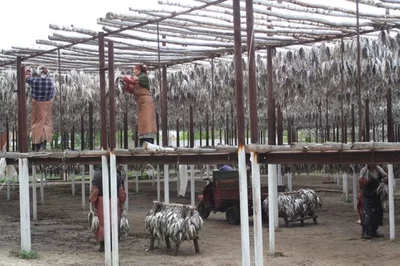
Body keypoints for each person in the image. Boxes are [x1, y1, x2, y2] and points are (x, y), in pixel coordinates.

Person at [89, 167, 126, 252]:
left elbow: (95, 191)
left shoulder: (97, 175)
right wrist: (122, 201)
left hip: (101, 203)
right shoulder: (116, 175)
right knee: (114, 224)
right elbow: (121, 191)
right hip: (114, 202)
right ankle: (114, 246)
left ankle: (103, 246)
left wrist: (92, 202)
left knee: (102, 225)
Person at [121, 65, 157, 147]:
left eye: (135, 69)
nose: (134, 71)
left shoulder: (143, 77)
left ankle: (148, 143)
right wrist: (124, 84)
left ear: (140, 70)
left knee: (147, 123)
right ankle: (142, 143)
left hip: (147, 103)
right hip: (141, 103)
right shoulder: (137, 79)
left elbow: (133, 81)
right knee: (142, 124)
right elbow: (131, 89)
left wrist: (124, 77)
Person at [25, 66, 55, 152]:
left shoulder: (35, 81)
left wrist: (27, 69)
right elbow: (52, 93)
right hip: (47, 104)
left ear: (38, 73)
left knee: (37, 124)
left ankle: (37, 145)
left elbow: (26, 78)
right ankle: (43, 144)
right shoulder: (50, 81)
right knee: (47, 123)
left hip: (37, 104)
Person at [359, 163, 387, 239]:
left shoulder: (379, 169)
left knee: (377, 214)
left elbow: (385, 176)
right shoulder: (364, 170)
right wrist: (365, 182)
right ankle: (365, 233)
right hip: (367, 195)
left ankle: (373, 231)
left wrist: (384, 180)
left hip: (377, 195)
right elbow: (360, 184)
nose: (374, 164)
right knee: (367, 214)